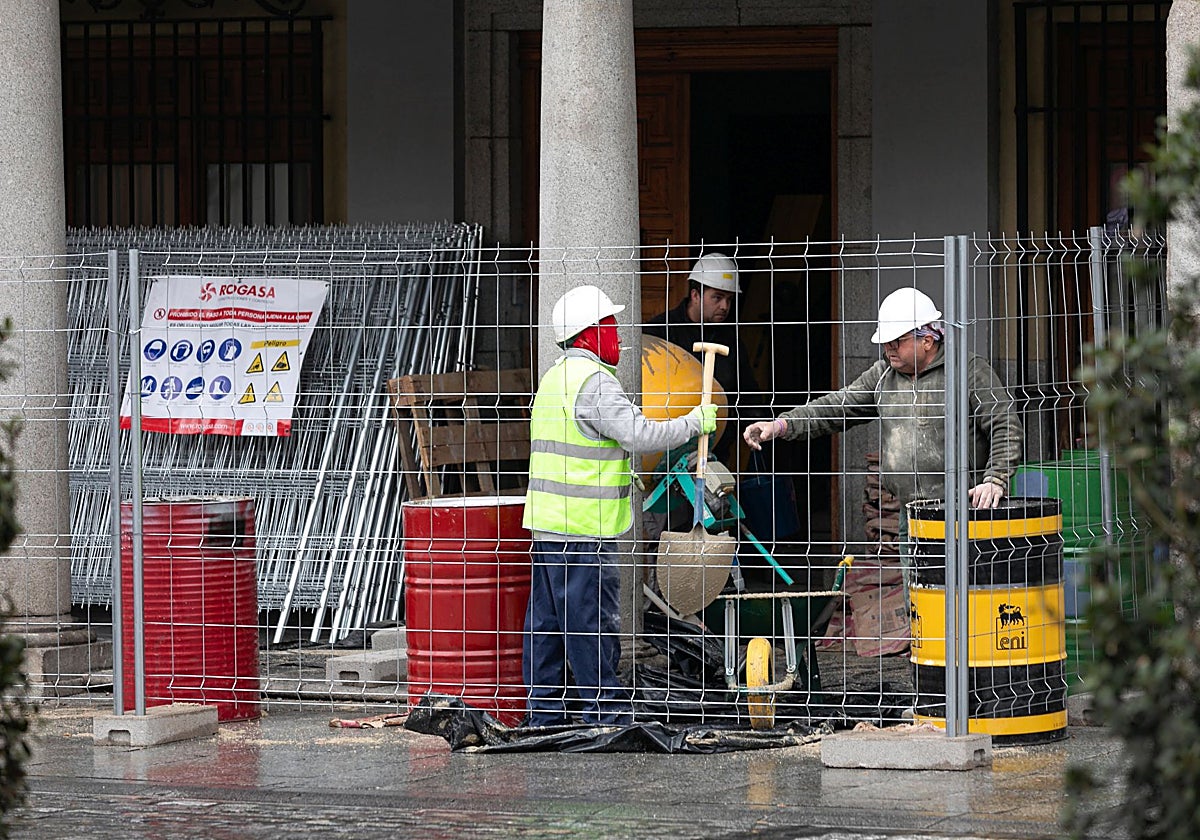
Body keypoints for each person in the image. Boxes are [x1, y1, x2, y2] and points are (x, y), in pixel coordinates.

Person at [523, 284, 717, 727]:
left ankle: (544, 715)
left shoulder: (553, 379)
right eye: (610, 324)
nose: (617, 334)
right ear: (589, 334)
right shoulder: (595, 384)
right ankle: (602, 712)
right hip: (584, 531)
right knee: (592, 624)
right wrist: (694, 422)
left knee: (547, 627)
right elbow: (639, 435)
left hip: (547, 527)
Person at [743, 287, 1023, 565]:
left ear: (927, 340)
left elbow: (1004, 423)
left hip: (968, 511)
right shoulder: (882, 377)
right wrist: (780, 425)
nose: (888, 348)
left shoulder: (968, 371)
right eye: (886, 342)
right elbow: (834, 407)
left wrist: (995, 479)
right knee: (918, 602)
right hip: (912, 514)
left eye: (896, 341)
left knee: (971, 599)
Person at [644, 252, 760, 468]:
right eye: (717, 297)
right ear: (695, 295)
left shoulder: (730, 339)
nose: (725, 306)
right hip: (665, 456)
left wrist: (757, 424)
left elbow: (747, 390)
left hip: (717, 453)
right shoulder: (659, 331)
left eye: (729, 299)